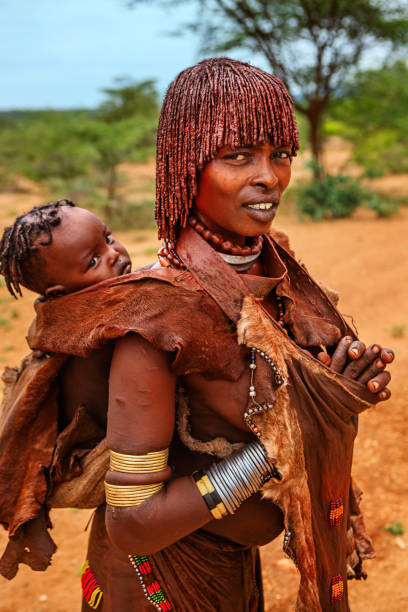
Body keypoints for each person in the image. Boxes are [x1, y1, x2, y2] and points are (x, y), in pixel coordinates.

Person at [0, 58, 393, 612]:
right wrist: (281, 441)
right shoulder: (155, 318)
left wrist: (337, 395)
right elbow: (134, 523)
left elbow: (295, 401)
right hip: (156, 587)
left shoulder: (280, 280)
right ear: (186, 165)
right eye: (238, 156)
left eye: (279, 154)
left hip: (227, 573)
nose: (269, 176)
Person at [0, 199, 132, 299]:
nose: (114, 254)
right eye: (93, 262)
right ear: (58, 293)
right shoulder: (104, 330)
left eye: (107, 239)